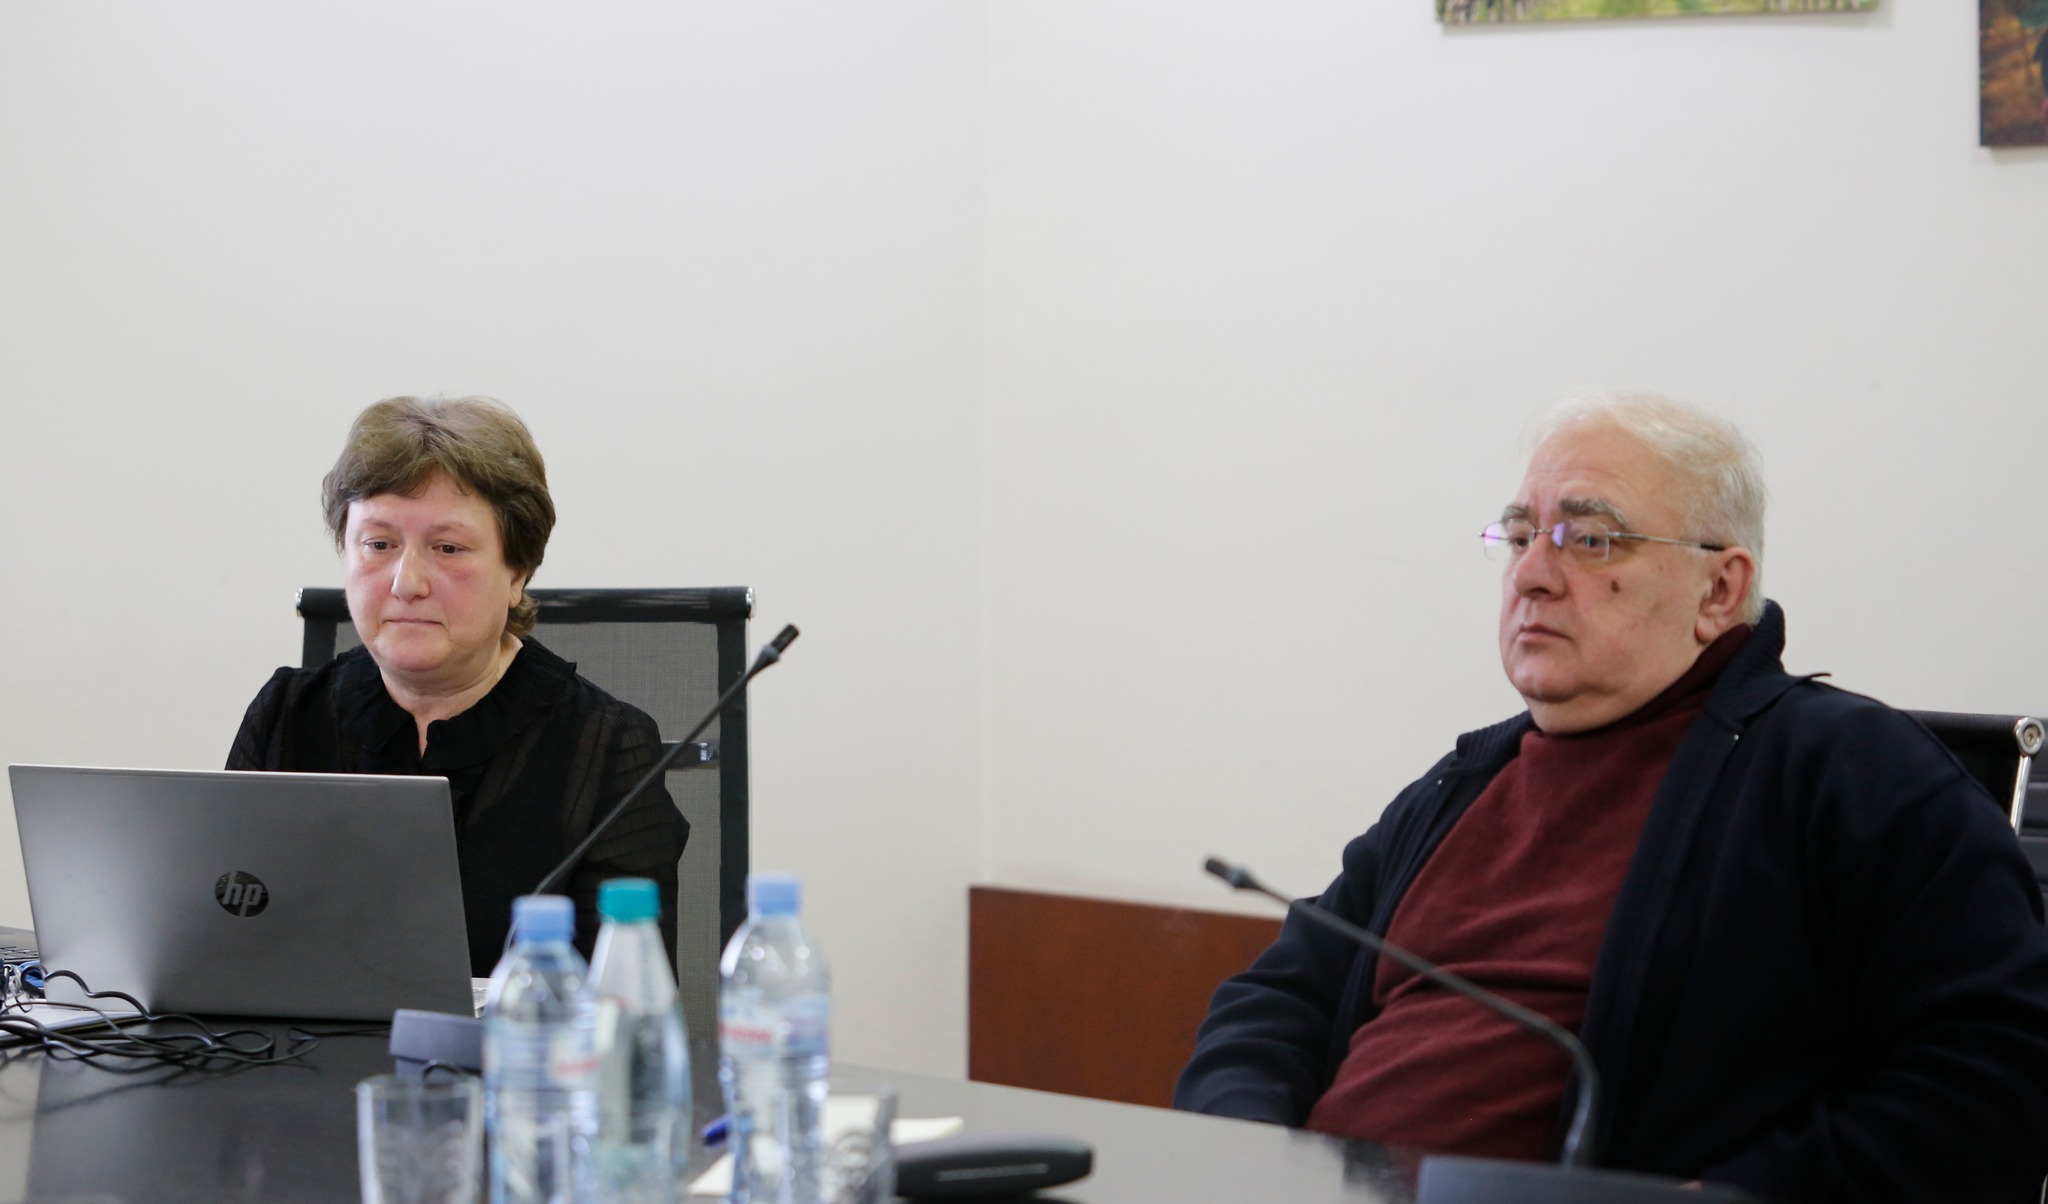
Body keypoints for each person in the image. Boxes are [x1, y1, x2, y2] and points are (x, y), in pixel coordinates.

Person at [1175, 393, 2048, 1202]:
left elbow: (1999, 1076)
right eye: (1521, 537)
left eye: (1589, 540)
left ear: (1719, 589)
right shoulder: (1462, 785)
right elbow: (1273, 1005)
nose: (1531, 575)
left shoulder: (1845, 770)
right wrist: (1251, 1160)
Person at [228, 395, 689, 977]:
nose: (407, 583)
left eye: (447, 548)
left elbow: (625, 998)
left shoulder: (608, 748)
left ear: (517, 572)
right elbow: (220, 940)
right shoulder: (285, 715)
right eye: (378, 544)